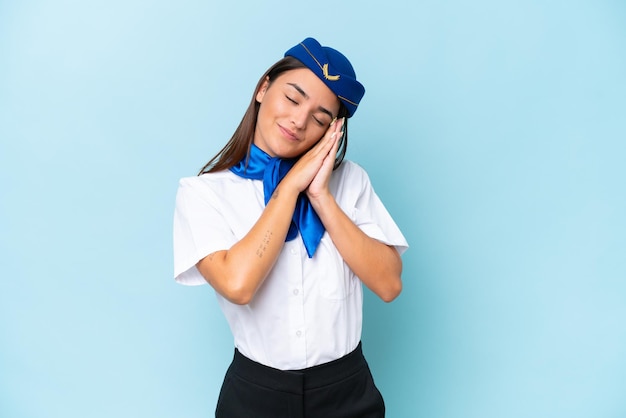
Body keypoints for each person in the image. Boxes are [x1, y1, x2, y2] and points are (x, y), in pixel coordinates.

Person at [173, 37, 408, 418]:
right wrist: (289, 189)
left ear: (333, 131)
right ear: (264, 88)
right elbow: (238, 285)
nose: (299, 121)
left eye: (319, 118)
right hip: (255, 397)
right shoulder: (203, 193)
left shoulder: (350, 182)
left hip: (347, 393)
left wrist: (321, 198)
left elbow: (389, 284)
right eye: (293, 98)